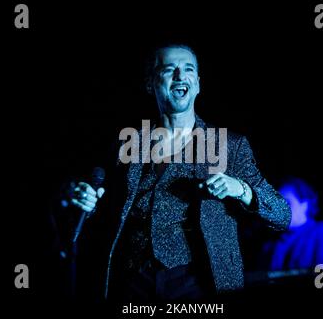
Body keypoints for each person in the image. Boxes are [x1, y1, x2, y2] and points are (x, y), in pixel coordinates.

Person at [65, 44, 291, 301]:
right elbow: (104, 206)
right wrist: (88, 201)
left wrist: (241, 189)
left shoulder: (229, 145)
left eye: (188, 69)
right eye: (169, 69)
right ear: (151, 84)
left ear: (197, 84)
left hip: (198, 282)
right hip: (133, 280)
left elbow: (282, 215)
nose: (180, 76)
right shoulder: (128, 144)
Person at [258, 177, 323, 273]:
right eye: (276, 206)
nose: (278, 211)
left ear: (306, 203)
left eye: (287, 203)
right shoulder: (270, 242)